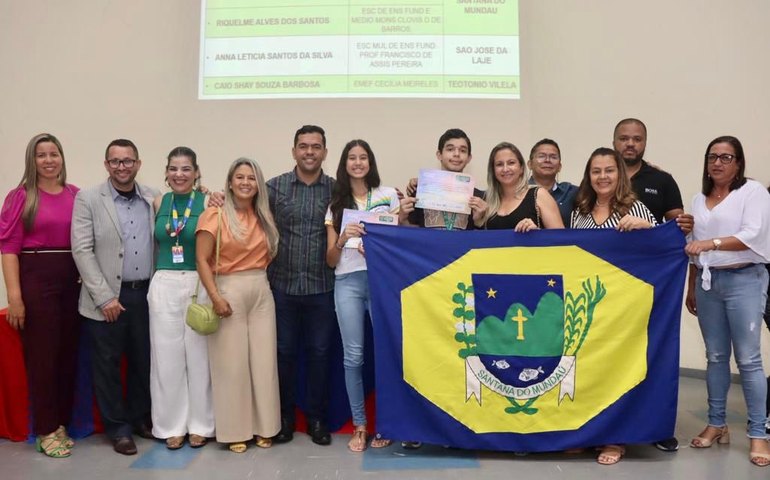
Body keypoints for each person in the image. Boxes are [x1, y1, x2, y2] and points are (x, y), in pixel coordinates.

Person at [684, 136, 770, 467]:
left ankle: (758, 433)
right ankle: (716, 423)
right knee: (716, 357)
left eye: (726, 157)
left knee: (749, 359)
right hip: (708, 283)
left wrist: (712, 243)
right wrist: (692, 286)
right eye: (712, 157)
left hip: (744, 280)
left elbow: (753, 235)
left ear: (738, 163)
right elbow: (693, 246)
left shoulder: (753, 192)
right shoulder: (698, 199)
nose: (718, 163)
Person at [71, 139, 159, 456]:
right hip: (107, 300)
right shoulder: (88, 199)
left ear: (138, 163)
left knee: (142, 361)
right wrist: (104, 297)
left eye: (128, 161)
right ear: (107, 165)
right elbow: (82, 250)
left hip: (144, 294)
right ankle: (118, 429)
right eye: (116, 161)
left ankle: (139, 418)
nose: (122, 167)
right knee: (107, 367)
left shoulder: (152, 197)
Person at [571, 147, 656, 465]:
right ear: (588, 176)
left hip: (623, 308)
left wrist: (645, 227)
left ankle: (615, 439)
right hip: (590, 303)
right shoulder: (580, 211)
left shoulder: (635, 207)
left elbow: (662, 243)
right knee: (590, 369)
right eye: (596, 171)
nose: (602, 176)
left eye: (609, 170)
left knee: (616, 371)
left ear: (620, 173)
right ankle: (588, 434)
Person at [612, 117, 691, 452]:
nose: (630, 144)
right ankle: (609, 426)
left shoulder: (662, 180)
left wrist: (651, 226)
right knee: (611, 356)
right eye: (624, 138)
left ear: (645, 142)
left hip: (651, 285)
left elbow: (678, 228)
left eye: (637, 138)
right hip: (610, 287)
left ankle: (657, 427)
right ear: (614, 141)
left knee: (655, 353)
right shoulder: (602, 176)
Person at [0, 134, 80, 458]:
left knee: (66, 355)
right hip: (36, 280)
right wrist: (15, 297)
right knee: (43, 358)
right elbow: (9, 249)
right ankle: (45, 430)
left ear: (62, 157)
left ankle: (59, 423)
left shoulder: (75, 195)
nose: (48, 160)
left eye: (53, 154)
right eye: (41, 155)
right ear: (32, 161)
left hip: (72, 280)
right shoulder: (21, 197)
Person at [195, 158, 281, 453]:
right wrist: (216, 297)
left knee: (264, 363)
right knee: (231, 365)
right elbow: (201, 260)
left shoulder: (264, 216)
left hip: (261, 290)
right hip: (227, 289)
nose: (246, 182)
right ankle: (235, 431)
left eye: (252, 178)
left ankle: (265, 427)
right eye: (240, 177)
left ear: (259, 184)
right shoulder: (214, 214)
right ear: (230, 182)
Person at [325, 140, 399, 452]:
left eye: (363, 157)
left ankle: (387, 424)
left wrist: (379, 249)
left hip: (381, 281)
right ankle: (360, 425)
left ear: (371, 162)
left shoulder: (388, 195)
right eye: (352, 158)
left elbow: (398, 242)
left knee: (387, 353)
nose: (358, 163)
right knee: (353, 357)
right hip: (348, 283)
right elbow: (331, 260)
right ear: (344, 164)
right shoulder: (336, 204)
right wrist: (342, 239)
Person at [267, 125, 336, 446]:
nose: (310, 152)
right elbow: (243, 210)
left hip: (322, 287)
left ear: (325, 152)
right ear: (294, 151)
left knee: (320, 355)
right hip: (282, 286)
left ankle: (317, 419)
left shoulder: (336, 190)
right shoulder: (274, 187)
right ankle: (284, 420)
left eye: (316, 146)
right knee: (283, 355)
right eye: (304, 146)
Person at [147, 147, 214, 450]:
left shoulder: (208, 202)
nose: (179, 174)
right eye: (173, 168)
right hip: (164, 283)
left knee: (200, 357)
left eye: (186, 169)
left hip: (198, 282)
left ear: (196, 172)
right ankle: (171, 426)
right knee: (166, 358)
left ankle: (201, 425)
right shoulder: (158, 201)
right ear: (166, 172)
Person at [400, 128, 486, 230]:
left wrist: (479, 222)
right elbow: (412, 233)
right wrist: (402, 219)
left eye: (463, 150)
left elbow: (483, 237)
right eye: (450, 149)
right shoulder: (421, 190)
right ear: (439, 155)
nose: (456, 154)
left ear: (469, 158)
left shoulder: (479, 199)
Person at [480, 141, 564, 230]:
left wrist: (537, 233)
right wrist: (478, 221)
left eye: (511, 163)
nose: (505, 169)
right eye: (499, 164)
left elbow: (560, 236)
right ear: (493, 171)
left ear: (521, 168)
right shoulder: (487, 200)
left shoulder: (539, 195)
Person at [527, 138, 578, 228]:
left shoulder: (571, 192)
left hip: (562, 237)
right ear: (530, 164)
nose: (547, 160)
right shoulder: (519, 193)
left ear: (560, 166)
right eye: (541, 156)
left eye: (553, 157)